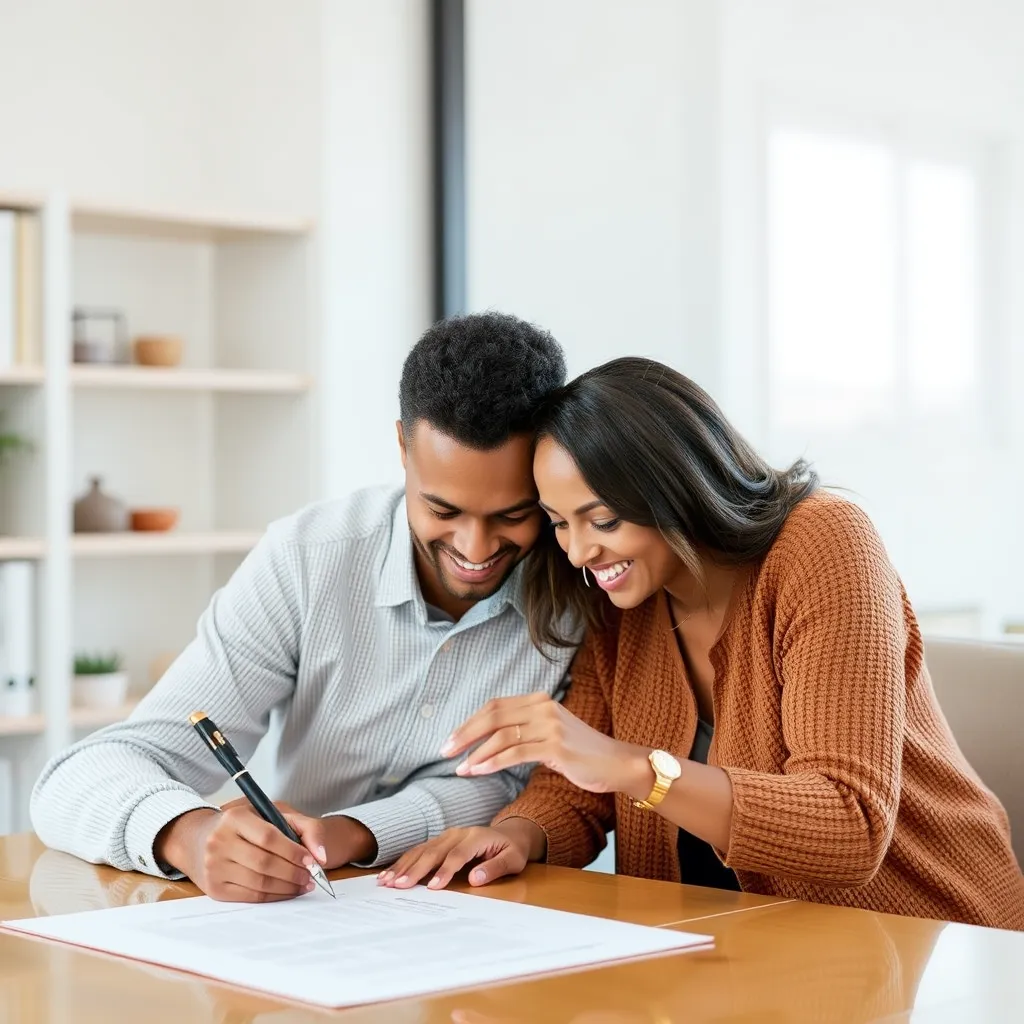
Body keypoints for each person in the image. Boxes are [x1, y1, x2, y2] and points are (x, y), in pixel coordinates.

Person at [382, 356, 1024, 931]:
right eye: (558, 523)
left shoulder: (824, 544)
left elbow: (850, 825)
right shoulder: (620, 600)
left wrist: (634, 767)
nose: (579, 551)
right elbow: (575, 793)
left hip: (931, 942)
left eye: (603, 520)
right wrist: (517, 836)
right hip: (741, 953)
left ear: (675, 487)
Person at [30, 312, 577, 904]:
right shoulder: (308, 559)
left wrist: (354, 833)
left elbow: (518, 789)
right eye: (443, 511)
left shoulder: (587, 585)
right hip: (300, 915)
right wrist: (188, 833)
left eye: (513, 515)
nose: (475, 549)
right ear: (401, 446)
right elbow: (75, 780)